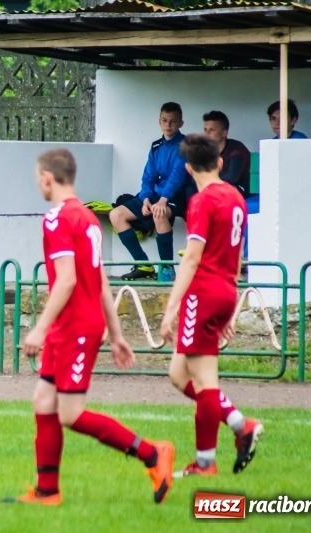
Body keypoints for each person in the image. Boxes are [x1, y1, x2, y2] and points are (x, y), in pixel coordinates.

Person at [3, 148, 174, 506]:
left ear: (46, 178)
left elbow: (67, 280)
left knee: (70, 413)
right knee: (44, 400)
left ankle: (152, 453)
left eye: (37, 178)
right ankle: (47, 491)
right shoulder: (88, 219)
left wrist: (39, 328)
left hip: (75, 326)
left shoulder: (57, 219)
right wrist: (116, 334)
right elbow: (99, 280)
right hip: (76, 325)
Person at [160, 134, 263, 477]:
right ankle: (238, 423)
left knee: (205, 383)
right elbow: (236, 254)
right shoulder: (235, 198)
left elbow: (192, 258)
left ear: (188, 169)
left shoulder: (201, 201)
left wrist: (172, 307)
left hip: (202, 294)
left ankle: (206, 462)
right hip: (224, 290)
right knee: (179, 374)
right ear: (219, 163)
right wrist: (228, 307)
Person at [109, 102, 190, 282]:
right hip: (154, 195)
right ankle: (143, 265)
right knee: (116, 215)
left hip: (176, 195)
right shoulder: (156, 146)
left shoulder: (186, 145)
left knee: (159, 213)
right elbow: (148, 177)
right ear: (159, 122)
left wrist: (163, 200)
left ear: (181, 123)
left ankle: (167, 269)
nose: (168, 125)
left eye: (173, 121)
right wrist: (145, 198)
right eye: (165, 120)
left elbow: (177, 177)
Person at [202, 111, 251, 198]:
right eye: (205, 130)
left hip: (243, 191)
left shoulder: (236, 148)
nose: (207, 133)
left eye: (212, 130)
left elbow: (232, 177)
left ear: (224, 133)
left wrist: (208, 178)